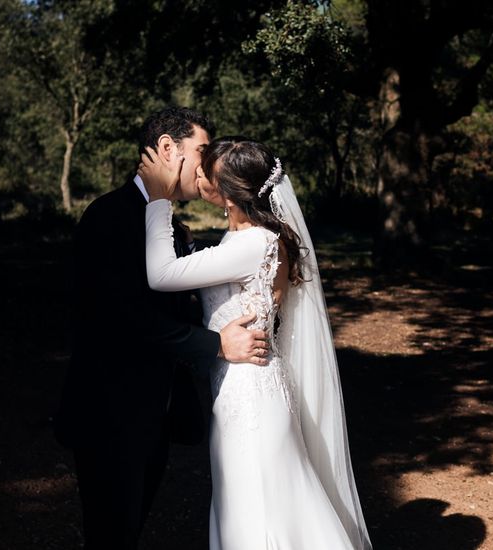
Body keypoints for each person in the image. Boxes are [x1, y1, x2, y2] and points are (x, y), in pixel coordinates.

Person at [138, 137, 373, 549]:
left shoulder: (253, 243)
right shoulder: (251, 239)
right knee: (261, 509)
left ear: (228, 194)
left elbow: (161, 275)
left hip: (248, 399)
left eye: (205, 171)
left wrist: (158, 200)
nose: (196, 173)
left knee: (254, 515)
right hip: (251, 391)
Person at [53, 107, 270, 550]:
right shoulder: (110, 216)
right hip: (110, 414)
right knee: (110, 536)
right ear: (168, 149)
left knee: (128, 531)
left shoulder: (162, 218)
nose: (208, 166)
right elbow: (127, 319)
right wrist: (217, 345)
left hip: (153, 414)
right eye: (202, 152)